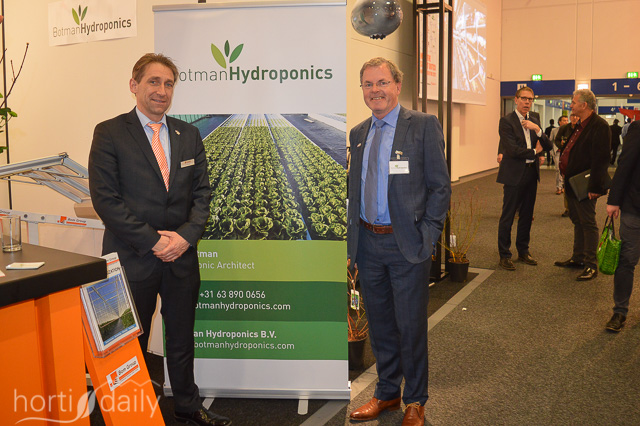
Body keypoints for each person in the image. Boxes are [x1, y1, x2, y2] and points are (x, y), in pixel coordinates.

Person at [89, 53, 229, 426]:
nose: (161, 91)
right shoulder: (110, 132)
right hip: (131, 258)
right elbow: (106, 201)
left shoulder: (188, 134)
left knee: (181, 338)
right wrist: (154, 241)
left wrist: (184, 238)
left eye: (168, 84)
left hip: (181, 257)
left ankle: (187, 406)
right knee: (125, 344)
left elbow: (202, 196)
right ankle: (125, 413)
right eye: (153, 81)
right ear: (134, 85)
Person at [347, 57, 450, 426]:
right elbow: (354, 190)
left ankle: (415, 400)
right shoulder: (358, 133)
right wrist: (353, 245)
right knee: (380, 326)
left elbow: (440, 187)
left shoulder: (422, 125)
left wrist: (428, 236)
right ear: (362, 89)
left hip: (407, 244)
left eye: (382, 82)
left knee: (410, 327)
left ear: (397, 85)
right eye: (368, 84)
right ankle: (387, 392)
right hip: (368, 244)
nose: (375, 90)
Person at [554, 89, 611, 281]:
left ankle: (590, 265)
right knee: (577, 220)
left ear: (584, 105)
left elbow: (601, 159)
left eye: (573, 102)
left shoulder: (599, 126)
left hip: (586, 184)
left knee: (587, 223)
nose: (570, 105)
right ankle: (578, 258)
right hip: (572, 182)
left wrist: (595, 188)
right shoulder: (579, 125)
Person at [496, 86, 552, 271]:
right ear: (516, 99)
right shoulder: (506, 121)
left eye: (530, 99)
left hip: (531, 174)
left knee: (527, 215)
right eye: (524, 98)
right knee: (508, 215)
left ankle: (523, 250)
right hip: (513, 174)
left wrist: (538, 130)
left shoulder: (534, 119)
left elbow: (548, 145)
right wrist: (534, 152)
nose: (527, 102)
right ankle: (504, 254)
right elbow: (512, 150)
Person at [605, 120, 640, 332]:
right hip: (635, 209)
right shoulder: (637, 130)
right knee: (627, 260)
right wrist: (614, 200)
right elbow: (624, 165)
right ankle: (620, 311)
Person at [550, 115, 569, 195]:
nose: (566, 122)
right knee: (558, 169)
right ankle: (559, 187)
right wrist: (551, 152)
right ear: (559, 122)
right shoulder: (554, 130)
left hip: (567, 153)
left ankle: (564, 186)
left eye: (567, 120)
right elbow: (550, 141)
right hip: (557, 152)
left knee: (566, 170)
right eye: (564, 120)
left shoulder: (570, 130)